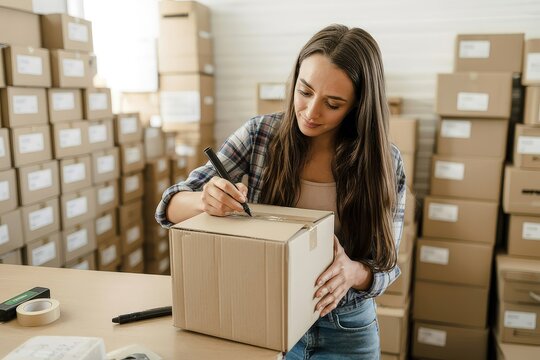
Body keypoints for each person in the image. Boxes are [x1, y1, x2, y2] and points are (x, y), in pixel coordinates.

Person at [156, 24, 405, 360]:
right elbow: (168, 206)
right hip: (265, 314)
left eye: (333, 103)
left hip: (347, 327)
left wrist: (353, 273)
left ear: (358, 106)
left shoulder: (384, 162)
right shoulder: (260, 135)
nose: (311, 112)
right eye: (304, 92)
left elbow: (387, 265)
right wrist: (205, 200)